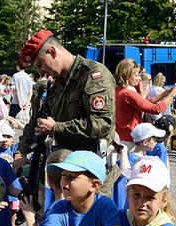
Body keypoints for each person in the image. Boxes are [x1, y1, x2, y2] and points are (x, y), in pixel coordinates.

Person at [14, 30, 116, 175]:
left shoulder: (93, 75)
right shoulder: (58, 83)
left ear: (52, 51)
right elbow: (38, 121)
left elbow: (102, 124)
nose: (40, 72)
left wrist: (57, 127)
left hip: (91, 172)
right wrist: (21, 152)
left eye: (40, 64)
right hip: (66, 169)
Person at [114, 58, 176, 149]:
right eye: (136, 75)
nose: (139, 79)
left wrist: (164, 94)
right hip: (129, 139)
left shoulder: (118, 90)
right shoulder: (128, 93)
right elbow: (155, 109)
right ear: (127, 75)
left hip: (121, 136)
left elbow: (142, 103)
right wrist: (173, 93)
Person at [112, 122, 167, 210]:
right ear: (145, 142)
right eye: (154, 139)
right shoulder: (132, 160)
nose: (156, 142)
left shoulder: (141, 158)